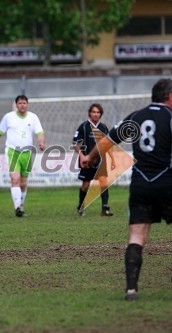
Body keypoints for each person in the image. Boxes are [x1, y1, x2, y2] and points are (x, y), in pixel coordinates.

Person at [80, 78, 172, 301]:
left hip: (140, 184)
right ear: (169, 96)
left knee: (136, 237)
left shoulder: (135, 117)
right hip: (168, 181)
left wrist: (89, 157)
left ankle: (131, 289)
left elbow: (107, 141)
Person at [0, 95, 45, 217]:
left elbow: (40, 132)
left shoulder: (33, 118)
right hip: (12, 152)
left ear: (27, 104)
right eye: (20, 103)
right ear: (16, 105)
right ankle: (17, 207)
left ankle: (21, 206)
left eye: (24, 103)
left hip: (27, 153)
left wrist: (41, 142)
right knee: (15, 178)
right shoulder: (8, 117)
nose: (22, 105)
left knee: (23, 182)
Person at [72, 103, 116, 217]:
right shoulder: (84, 126)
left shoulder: (103, 127)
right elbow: (75, 144)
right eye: (94, 112)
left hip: (100, 160)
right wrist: (81, 156)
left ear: (100, 114)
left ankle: (105, 209)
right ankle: (80, 207)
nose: (96, 114)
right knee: (85, 185)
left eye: (98, 112)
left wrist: (113, 159)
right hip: (86, 161)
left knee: (103, 182)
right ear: (90, 113)